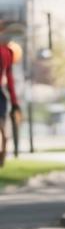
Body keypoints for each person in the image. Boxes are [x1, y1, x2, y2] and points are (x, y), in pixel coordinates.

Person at [0, 40, 22, 168]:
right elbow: (10, 82)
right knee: (2, 127)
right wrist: (15, 104)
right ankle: (1, 158)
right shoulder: (7, 54)